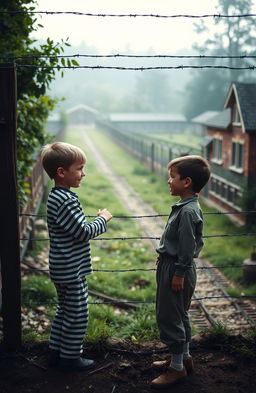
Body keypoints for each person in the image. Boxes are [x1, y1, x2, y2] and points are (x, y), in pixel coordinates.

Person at [41, 141, 112, 371]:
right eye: (79, 169)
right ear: (61, 172)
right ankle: (71, 359)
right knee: (78, 314)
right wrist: (103, 218)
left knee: (65, 311)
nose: (83, 174)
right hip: (71, 271)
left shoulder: (56, 196)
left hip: (63, 268)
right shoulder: (66, 200)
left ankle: (55, 353)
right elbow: (83, 232)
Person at [150, 155, 211, 389]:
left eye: (172, 177)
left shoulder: (187, 212)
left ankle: (176, 370)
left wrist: (178, 272)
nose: (168, 181)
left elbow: (186, 246)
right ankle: (184, 358)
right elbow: (178, 242)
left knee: (168, 316)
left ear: (186, 182)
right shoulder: (187, 206)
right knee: (181, 313)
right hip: (174, 265)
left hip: (177, 269)